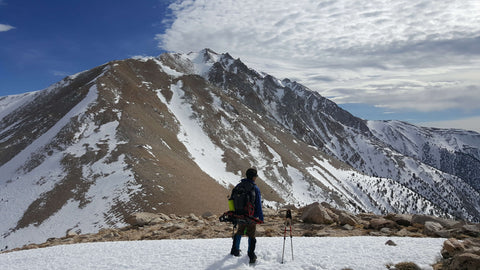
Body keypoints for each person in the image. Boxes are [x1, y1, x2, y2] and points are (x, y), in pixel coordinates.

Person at [230, 168, 264, 264]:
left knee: (240, 231)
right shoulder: (254, 188)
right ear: (253, 177)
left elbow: (232, 199)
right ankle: (251, 255)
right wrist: (260, 218)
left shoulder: (239, 186)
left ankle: (235, 250)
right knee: (251, 234)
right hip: (251, 216)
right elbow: (258, 204)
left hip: (239, 215)